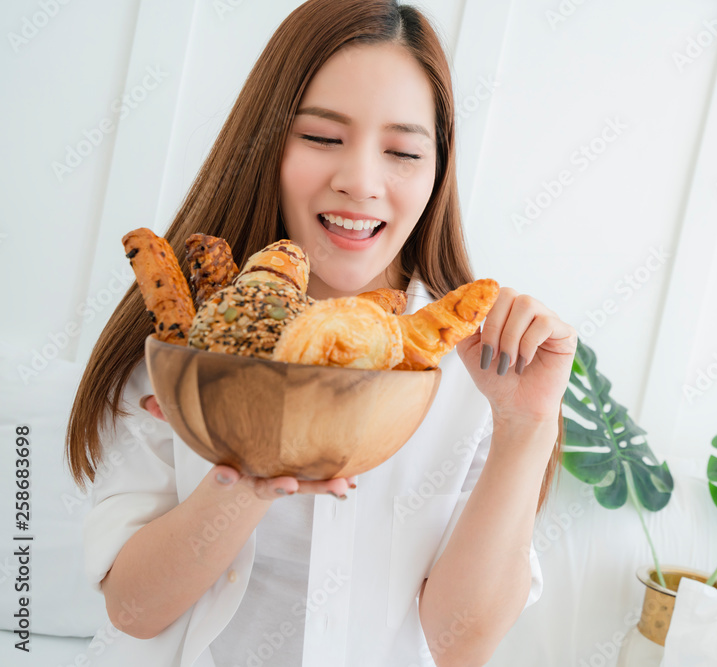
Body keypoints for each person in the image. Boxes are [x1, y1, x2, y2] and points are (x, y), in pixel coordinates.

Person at [64, 1, 577, 666]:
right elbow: (132, 609)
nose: (361, 181)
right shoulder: (189, 342)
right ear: (267, 142)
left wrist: (525, 424)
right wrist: (247, 475)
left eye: (401, 151)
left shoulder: (473, 367)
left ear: (436, 171)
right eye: (322, 138)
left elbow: (459, 642)